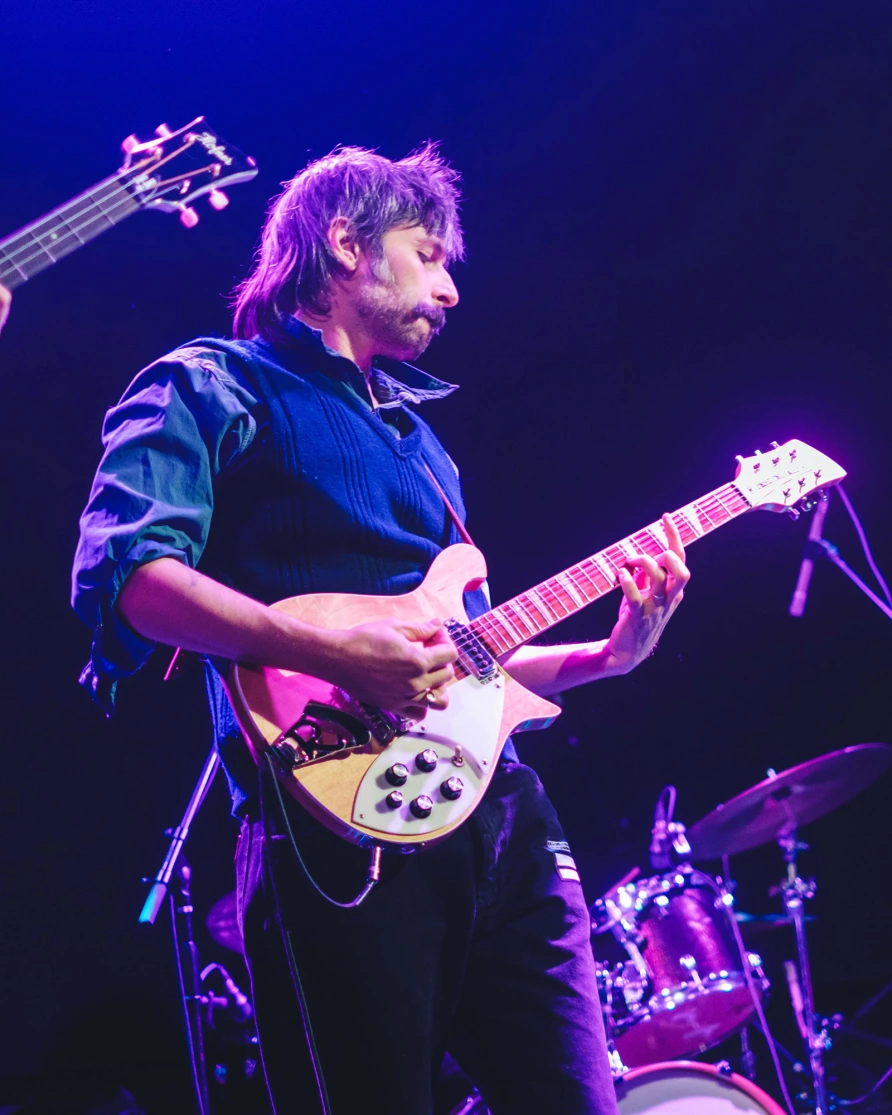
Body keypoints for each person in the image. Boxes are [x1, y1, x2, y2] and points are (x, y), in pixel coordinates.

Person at [72, 144, 689, 1115]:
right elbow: (134, 579)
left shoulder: (421, 442)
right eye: (430, 254)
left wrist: (608, 655)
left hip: (500, 818)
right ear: (348, 243)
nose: (449, 289)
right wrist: (321, 647)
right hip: (333, 817)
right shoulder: (208, 383)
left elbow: (464, 657)